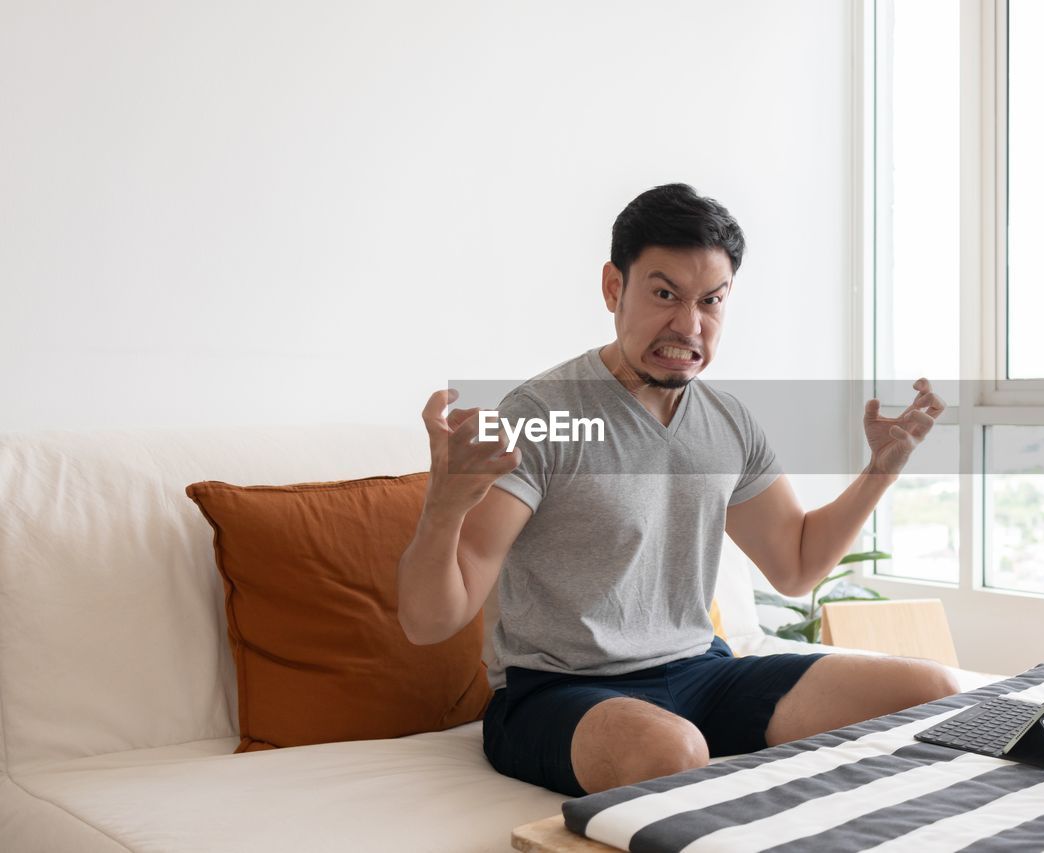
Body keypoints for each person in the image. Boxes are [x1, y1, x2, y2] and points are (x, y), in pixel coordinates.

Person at [397, 183, 959, 798]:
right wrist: (444, 504)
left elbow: (796, 566)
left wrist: (883, 467)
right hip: (557, 692)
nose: (688, 325)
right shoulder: (544, 413)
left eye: (710, 301)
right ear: (615, 288)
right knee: (671, 749)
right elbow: (430, 623)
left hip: (699, 675)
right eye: (664, 294)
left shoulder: (728, 421)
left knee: (932, 690)